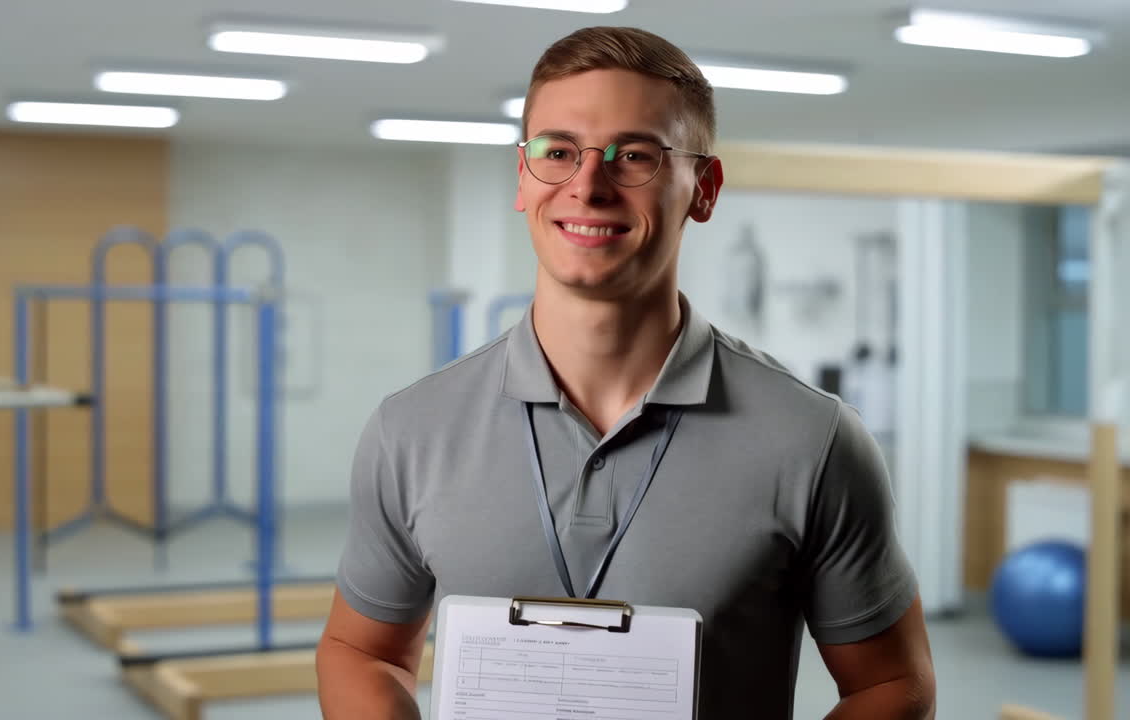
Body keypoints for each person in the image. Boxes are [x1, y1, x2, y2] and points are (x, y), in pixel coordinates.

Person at [316, 26, 935, 719]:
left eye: (634, 155)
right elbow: (359, 650)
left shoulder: (812, 440)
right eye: (558, 152)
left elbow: (893, 685)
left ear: (703, 188)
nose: (588, 184)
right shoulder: (411, 430)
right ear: (523, 177)